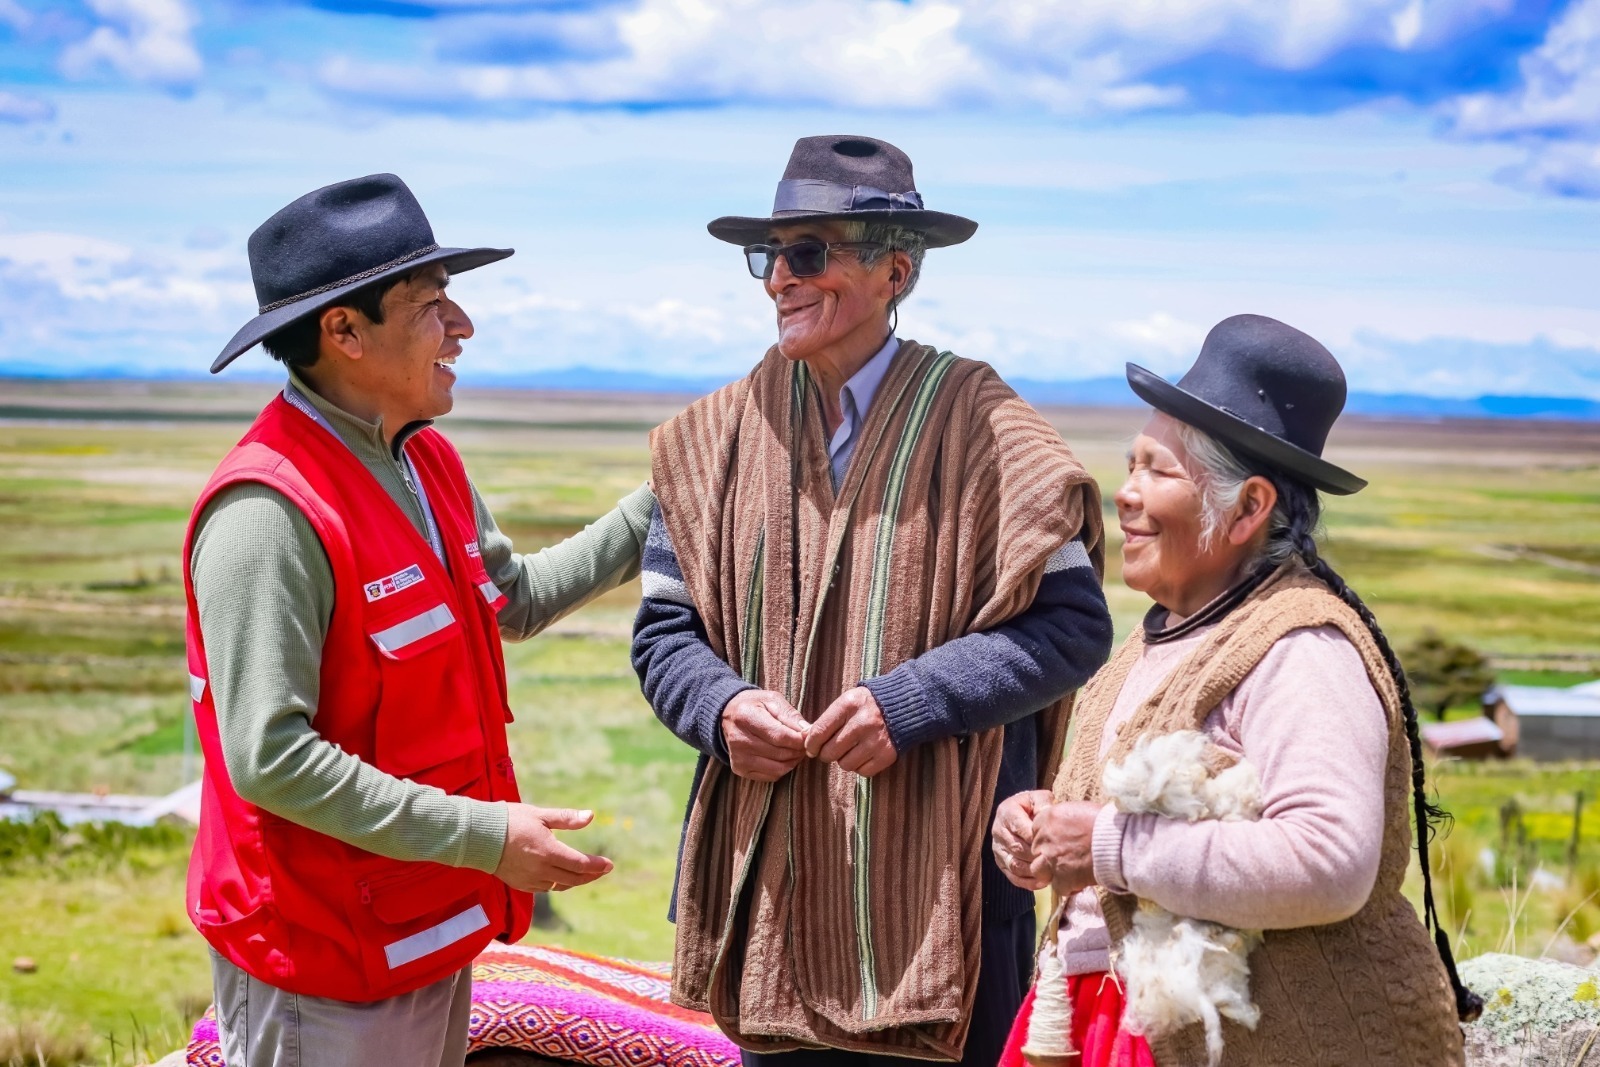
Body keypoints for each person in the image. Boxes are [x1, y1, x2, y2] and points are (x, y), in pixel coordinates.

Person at [631, 134, 1115, 1065]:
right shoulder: (712, 439)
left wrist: (912, 704)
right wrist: (721, 707)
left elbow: (1073, 624)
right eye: (769, 256)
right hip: (768, 899)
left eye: (808, 253)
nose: (780, 278)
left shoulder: (984, 425)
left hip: (943, 904)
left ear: (897, 270)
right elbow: (663, 633)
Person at [186, 173, 651, 1067]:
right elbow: (268, 757)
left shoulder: (424, 461)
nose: (463, 327)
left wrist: (656, 508)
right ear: (344, 332)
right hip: (318, 961)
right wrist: (485, 836)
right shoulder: (266, 513)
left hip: (420, 924)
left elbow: (510, 597)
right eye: (433, 305)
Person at [992, 314, 1479, 1067]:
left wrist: (1102, 842)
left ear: (1249, 508)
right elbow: (1106, 829)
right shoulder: (1160, 636)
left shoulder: (1302, 649)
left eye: (1158, 470)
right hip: (1109, 1024)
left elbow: (1328, 861)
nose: (1125, 494)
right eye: (1131, 465)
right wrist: (1037, 830)